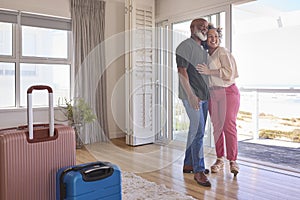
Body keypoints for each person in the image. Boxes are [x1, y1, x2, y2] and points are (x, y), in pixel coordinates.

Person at [196, 24, 240, 176]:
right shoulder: (205, 54)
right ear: (205, 39)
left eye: (216, 36)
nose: (214, 39)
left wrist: (209, 71)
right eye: (210, 37)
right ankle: (220, 159)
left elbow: (229, 73)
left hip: (228, 92)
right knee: (217, 128)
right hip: (213, 94)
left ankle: (233, 161)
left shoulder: (222, 51)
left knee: (228, 125)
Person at [176, 18, 211, 187]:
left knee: (196, 130)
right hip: (192, 96)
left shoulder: (203, 48)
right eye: (201, 27)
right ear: (192, 28)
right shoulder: (185, 46)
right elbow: (182, 71)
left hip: (203, 96)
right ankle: (199, 171)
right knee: (198, 132)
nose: (204, 29)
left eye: (206, 27)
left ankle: (189, 164)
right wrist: (190, 95)